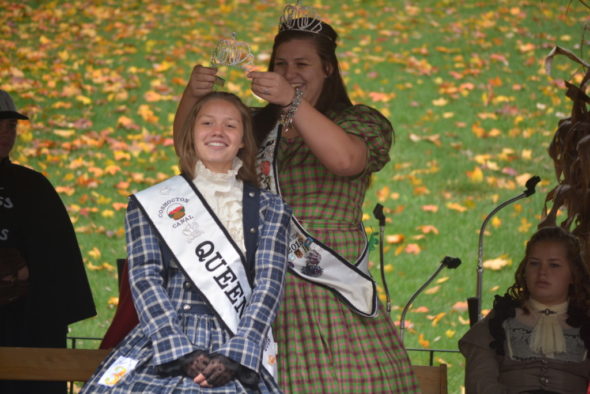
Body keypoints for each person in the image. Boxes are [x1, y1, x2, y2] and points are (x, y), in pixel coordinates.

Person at [173, 11, 418, 393]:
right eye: (281, 64)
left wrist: (293, 102)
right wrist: (194, 95)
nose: (290, 72)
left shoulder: (359, 121)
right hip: (256, 285)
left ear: (328, 69)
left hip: (327, 287)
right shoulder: (253, 125)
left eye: (302, 64)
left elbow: (345, 160)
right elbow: (194, 156)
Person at [81, 91, 291, 393]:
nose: (218, 132)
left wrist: (239, 353)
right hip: (166, 339)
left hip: (237, 341)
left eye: (230, 125)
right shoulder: (152, 203)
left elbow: (269, 285)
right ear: (191, 134)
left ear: (244, 139)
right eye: (207, 123)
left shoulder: (271, 208)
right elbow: (144, 279)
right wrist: (178, 351)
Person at [0, 89, 96, 394]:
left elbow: (60, 263)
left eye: (10, 127)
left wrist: (26, 273)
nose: (6, 134)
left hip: (27, 327)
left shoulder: (33, 186)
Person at [459, 226, 590, 393]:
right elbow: (480, 382)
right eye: (534, 263)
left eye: (554, 265)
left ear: (573, 273)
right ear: (524, 269)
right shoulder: (500, 321)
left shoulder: (586, 323)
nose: (542, 272)